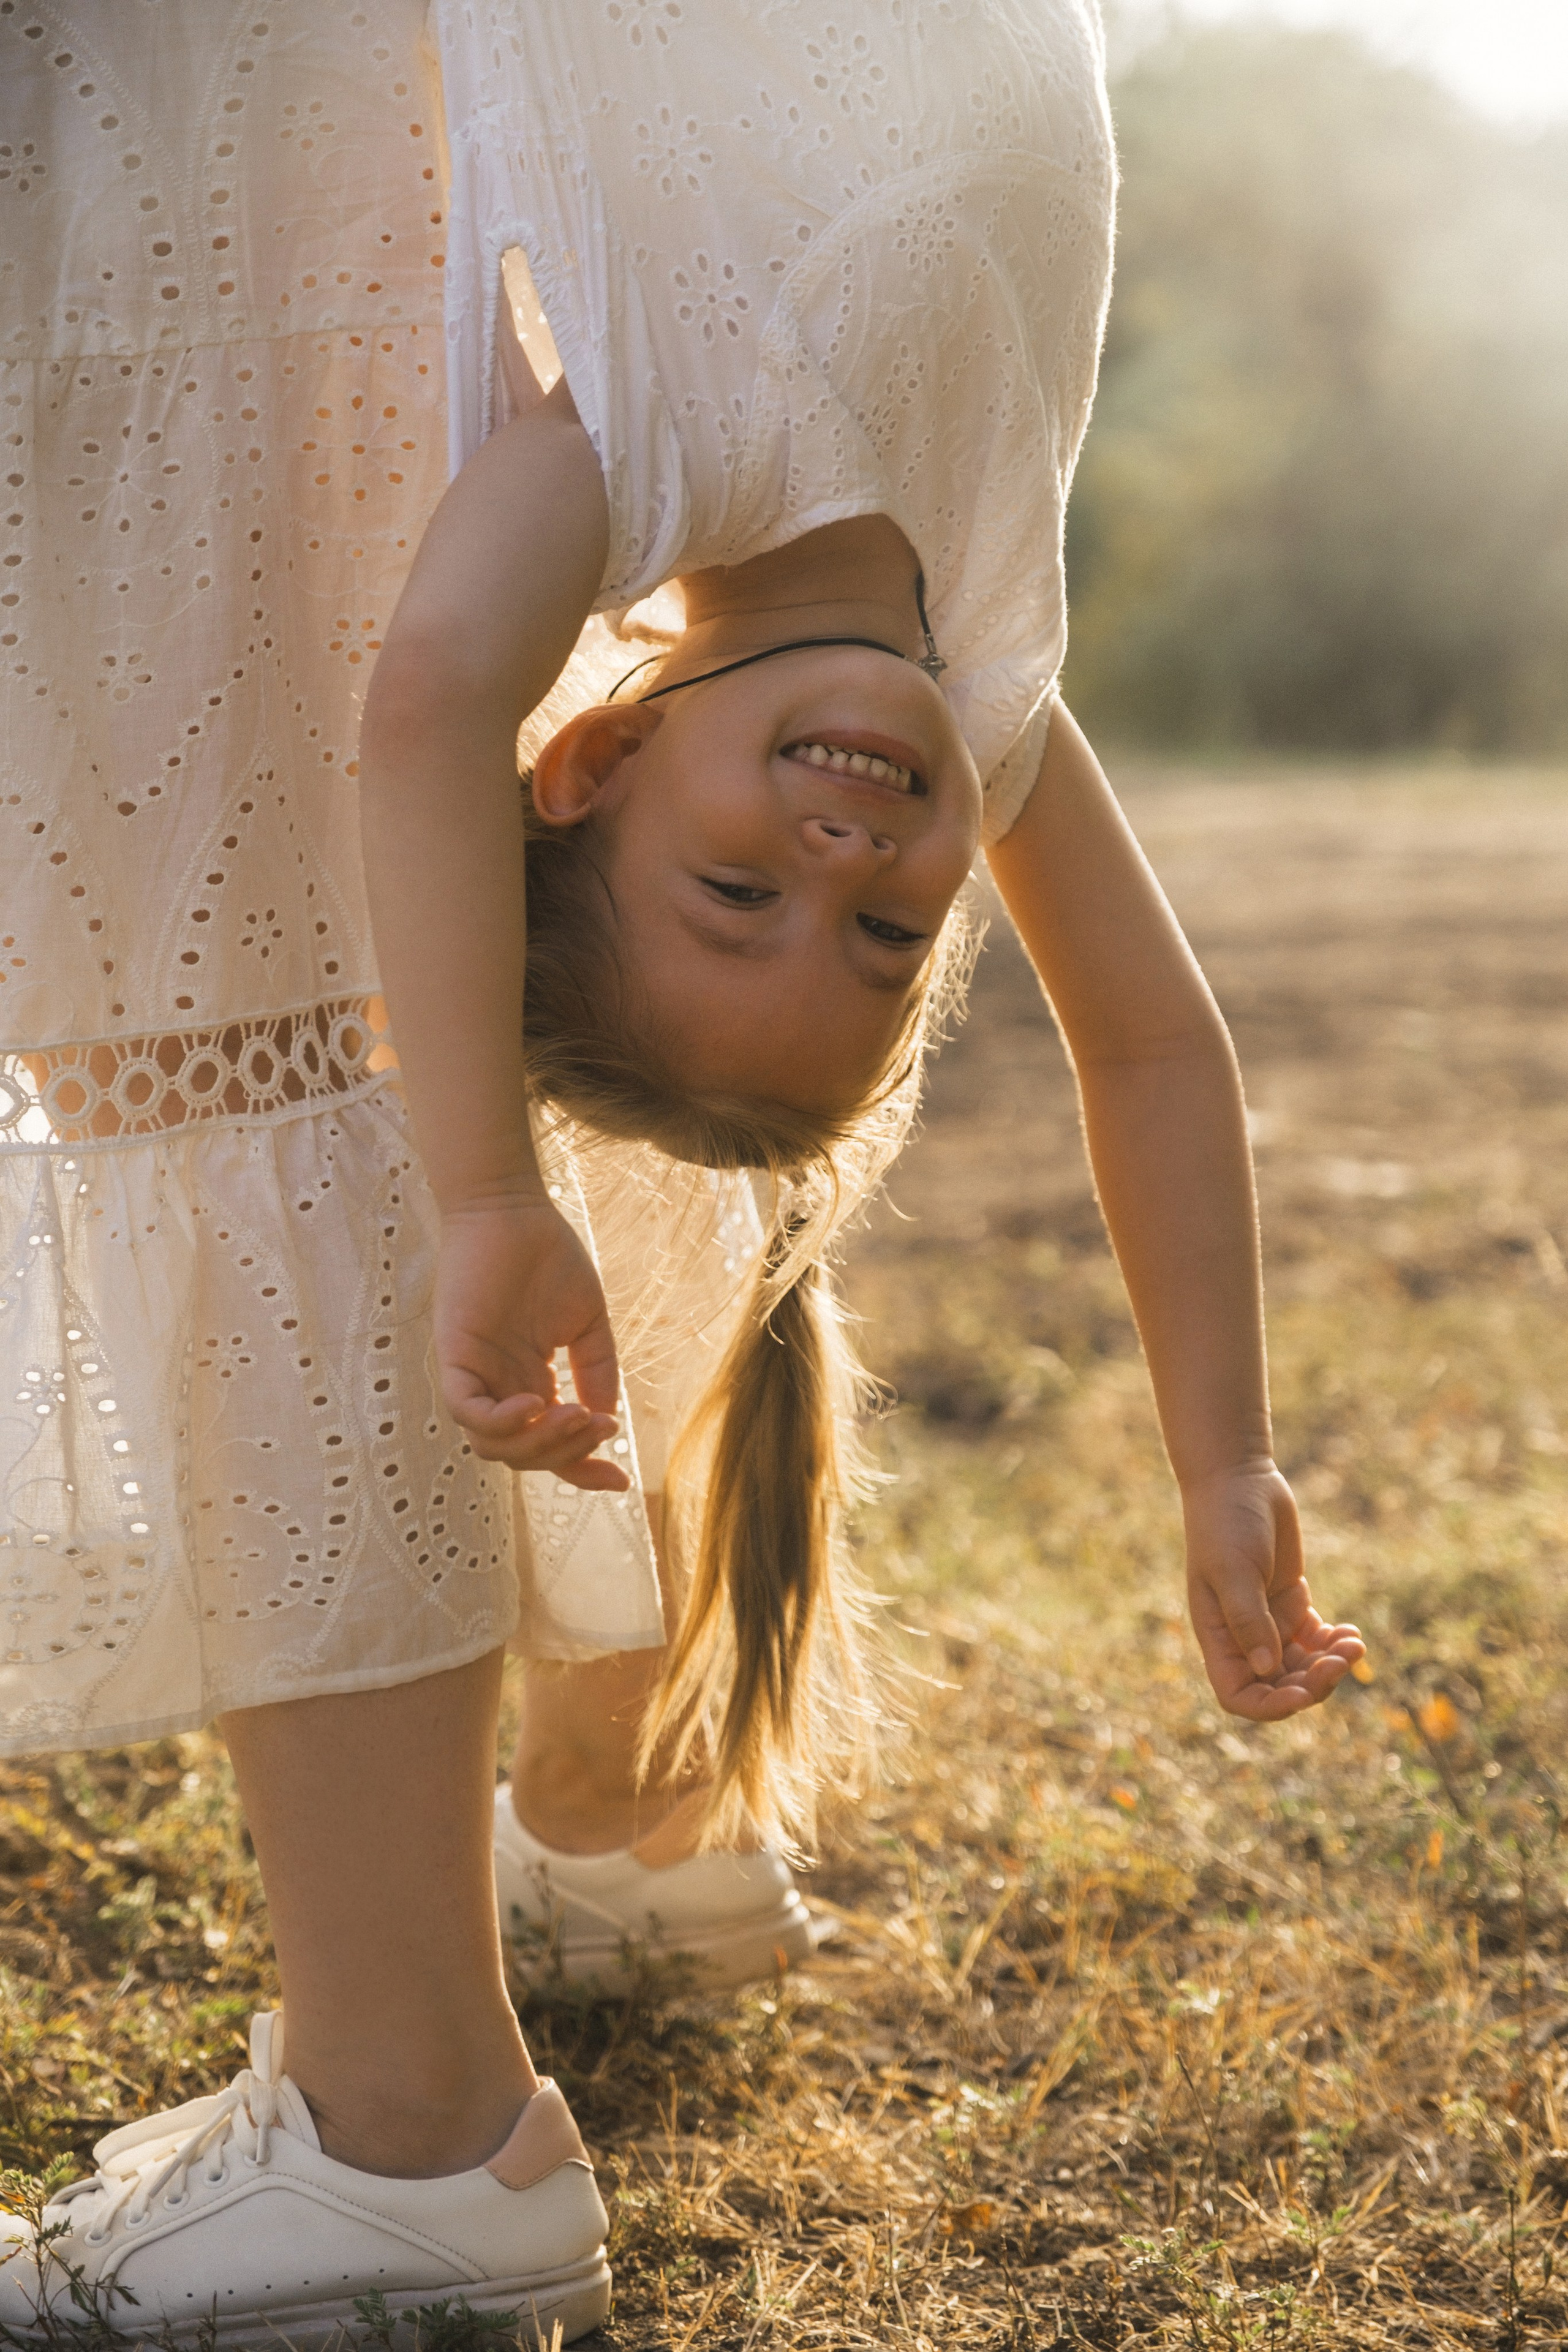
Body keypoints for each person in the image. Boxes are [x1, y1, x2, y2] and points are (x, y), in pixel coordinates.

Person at [0, 1, 1360, 2340]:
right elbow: (1150, 1043)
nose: (849, 862)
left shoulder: (632, 456)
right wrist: (1219, 1462)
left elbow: (417, 695)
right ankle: (617, 1815)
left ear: (593, 738)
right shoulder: (998, 675)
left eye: (740, 899)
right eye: (884, 937)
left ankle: (517, 1943)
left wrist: (487, 1207)